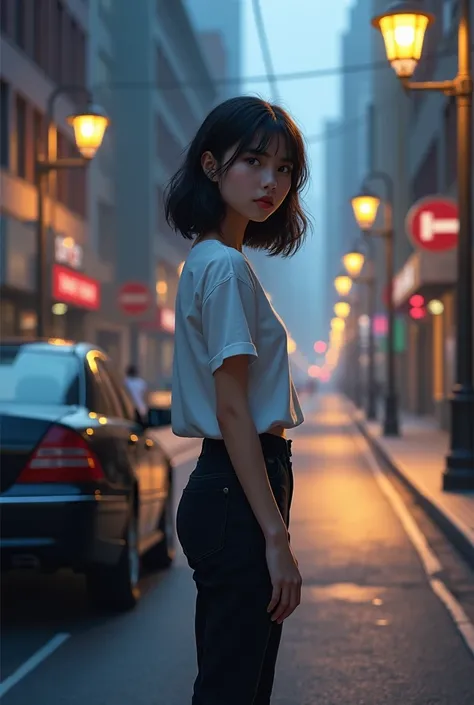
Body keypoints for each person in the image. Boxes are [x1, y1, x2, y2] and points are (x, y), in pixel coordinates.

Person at [167, 96, 309, 705]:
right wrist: (276, 537)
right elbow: (232, 411)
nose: (270, 181)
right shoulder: (223, 267)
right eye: (253, 161)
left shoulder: (214, 261)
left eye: (283, 169)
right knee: (233, 687)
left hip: (230, 487)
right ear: (211, 165)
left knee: (236, 682)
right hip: (235, 486)